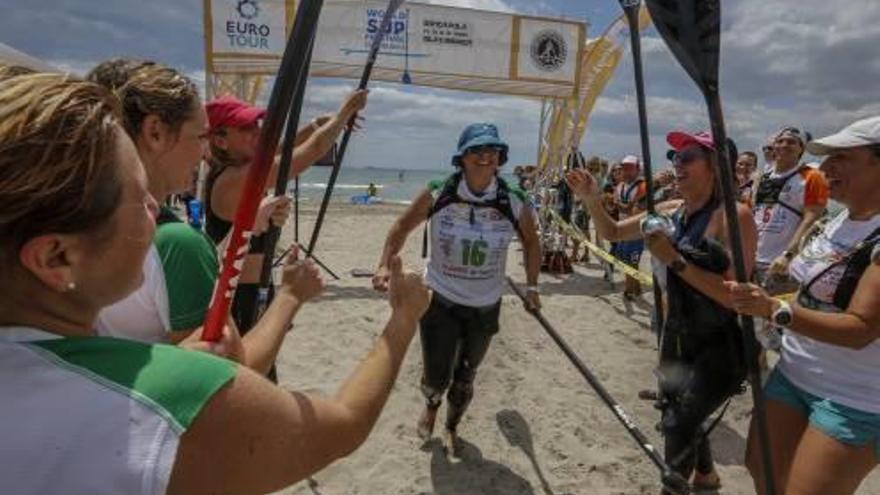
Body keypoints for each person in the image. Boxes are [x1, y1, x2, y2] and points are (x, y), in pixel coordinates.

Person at [0, 71, 431, 495]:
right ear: (55, 258)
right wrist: (402, 318)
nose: (156, 207)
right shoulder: (170, 386)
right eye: (135, 195)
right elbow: (341, 424)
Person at [568, 130, 757, 493]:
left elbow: (738, 298)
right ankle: (706, 476)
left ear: (715, 167)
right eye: (675, 157)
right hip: (676, 334)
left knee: (677, 424)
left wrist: (675, 261)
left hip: (717, 345)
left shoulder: (734, 216)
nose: (676, 164)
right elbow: (611, 232)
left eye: (687, 157)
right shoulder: (670, 211)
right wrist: (591, 198)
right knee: (675, 408)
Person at [87, 61, 299, 376]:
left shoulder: (80, 219)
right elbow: (234, 375)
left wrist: (247, 228)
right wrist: (292, 297)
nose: (205, 153)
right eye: (201, 137)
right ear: (155, 132)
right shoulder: (177, 242)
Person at [727, 116, 880, 495]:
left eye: (841, 157)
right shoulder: (840, 219)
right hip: (794, 373)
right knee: (762, 471)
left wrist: (772, 310)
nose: (825, 168)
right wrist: (765, 300)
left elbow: (861, 328)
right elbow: (809, 290)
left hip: (855, 397)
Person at [371, 123, 542, 456]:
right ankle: (432, 406)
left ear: (500, 157)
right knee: (436, 376)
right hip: (440, 300)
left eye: (492, 150)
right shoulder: (439, 191)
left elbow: (532, 243)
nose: (485, 156)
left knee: (466, 377)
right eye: (477, 150)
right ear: (462, 158)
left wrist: (533, 287)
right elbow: (401, 226)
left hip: (486, 304)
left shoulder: (515, 199)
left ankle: (452, 425)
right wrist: (382, 264)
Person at [205, 90, 368, 335]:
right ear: (220, 141)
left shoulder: (237, 168)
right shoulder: (233, 179)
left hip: (254, 287)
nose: (257, 132)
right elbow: (310, 152)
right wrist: (344, 113)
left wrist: (317, 124)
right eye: (245, 128)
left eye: (256, 124)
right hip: (239, 296)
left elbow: (279, 150)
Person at [753, 127, 829, 298]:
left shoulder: (811, 176)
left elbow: (812, 219)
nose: (784, 145)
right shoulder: (762, 177)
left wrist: (788, 255)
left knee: (779, 315)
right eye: (780, 141)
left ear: (801, 148)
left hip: (781, 263)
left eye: (792, 142)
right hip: (753, 259)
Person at [613, 155, 648, 300]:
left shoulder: (643, 186)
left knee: (632, 261)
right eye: (624, 168)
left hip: (636, 232)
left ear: (638, 169)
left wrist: (615, 204)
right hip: (622, 230)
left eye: (630, 168)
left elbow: (633, 210)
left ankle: (629, 290)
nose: (626, 171)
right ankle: (637, 287)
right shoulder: (620, 186)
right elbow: (617, 207)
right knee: (623, 260)